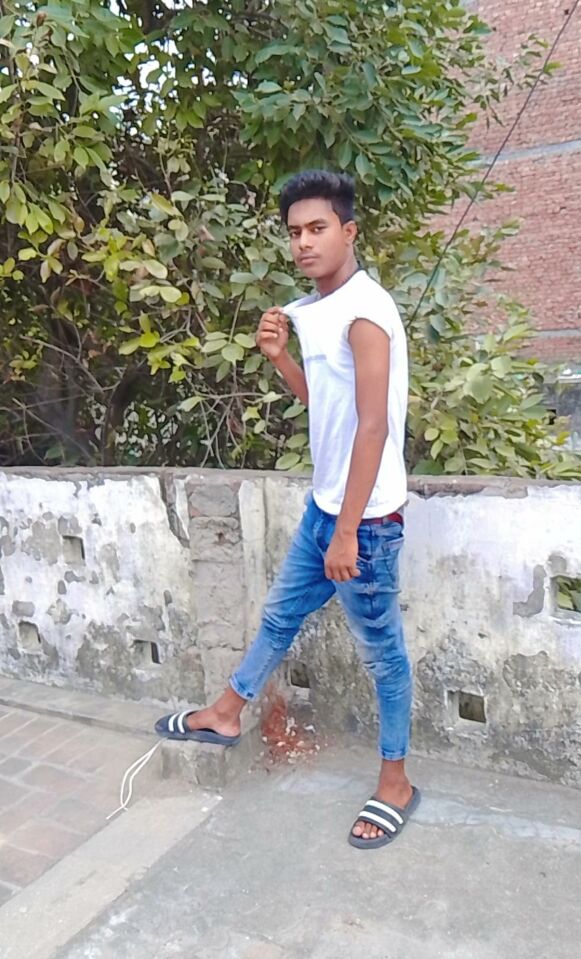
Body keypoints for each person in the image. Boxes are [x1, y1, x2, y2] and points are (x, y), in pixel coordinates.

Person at [156, 170, 420, 848]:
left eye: (318, 228)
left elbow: (373, 427)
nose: (304, 242)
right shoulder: (316, 309)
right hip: (326, 507)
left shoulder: (365, 312)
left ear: (349, 231)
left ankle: (396, 782)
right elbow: (325, 405)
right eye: (295, 231)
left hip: (366, 520)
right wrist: (279, 357)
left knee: (383, 656)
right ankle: (226, 711)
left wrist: (349, 531)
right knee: (279, 616)